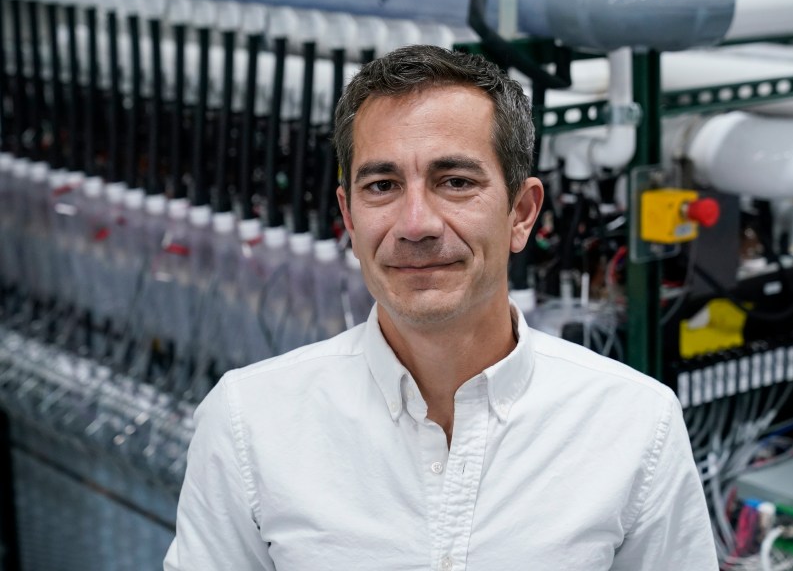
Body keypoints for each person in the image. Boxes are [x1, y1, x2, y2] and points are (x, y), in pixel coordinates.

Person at [164, 44, 717, 570]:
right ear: (349, 217)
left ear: (522, 213)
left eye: (454, 182)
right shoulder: (248, 422)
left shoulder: (636, 424)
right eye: (382, 185)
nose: (415, 225)